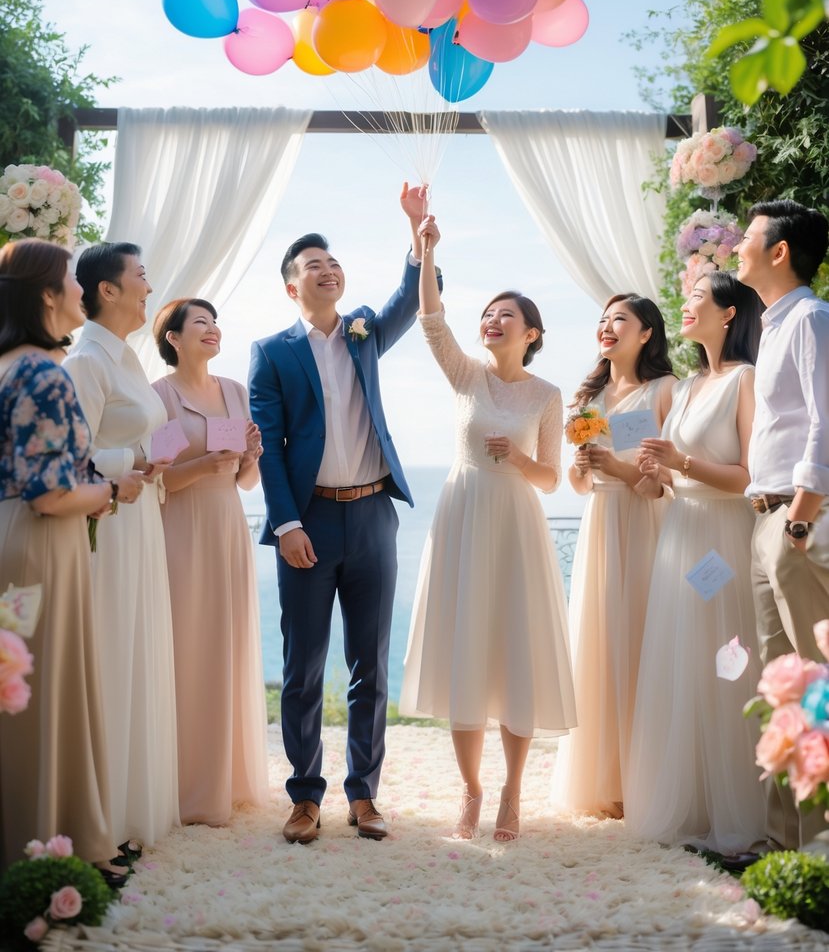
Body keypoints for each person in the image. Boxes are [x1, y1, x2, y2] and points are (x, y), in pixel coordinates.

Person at [249, 183, 433, 845]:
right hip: (309, 524)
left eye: (332, 262)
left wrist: (416, 233)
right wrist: (286, 525)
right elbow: (268, 447)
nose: (327, 270)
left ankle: (363, 794)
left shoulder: (363, 331)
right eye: (312, 265)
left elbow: (412, 296)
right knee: (302, 668)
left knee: (370, 668)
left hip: (374, 516)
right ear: (291, 287)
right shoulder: (272, 351)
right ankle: (304, 797)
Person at [399, 214, 576, 841]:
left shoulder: (548, 395)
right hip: (465, 514)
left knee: (516, 650)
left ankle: (512, 791)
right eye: (488, 314)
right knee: (467, 649)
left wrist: (521, 459)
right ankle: (471, 790)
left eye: (506, 315)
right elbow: (432, 321)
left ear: (532, 333)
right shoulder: (467, 375)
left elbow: (551, 478)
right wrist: (425, 248)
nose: (492, 321)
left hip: (516, 526)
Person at [0, 240, 144, 879]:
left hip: (10, 538)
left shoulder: (6, 365)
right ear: (47, 294)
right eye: (71, 278)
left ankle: (46, 838)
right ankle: (51, 847)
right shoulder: (42, 372)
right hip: (42, 544)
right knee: (44, 695)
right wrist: (113, 491)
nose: (82, 290)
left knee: (20, 695)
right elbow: (52, 495)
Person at [625, 272, 766, 854]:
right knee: (685, 661)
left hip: (723, 536)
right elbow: (669, 477)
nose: (686, 305)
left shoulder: (745, 379)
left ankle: (740, 810)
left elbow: (749, 476)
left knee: (727, 662)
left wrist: (680, 462)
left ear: (729, 313)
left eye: (698, 298)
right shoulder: (684, 388)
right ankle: (694, 805)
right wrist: (657, 472)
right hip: (680, 532)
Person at [64, 243, 179, 852]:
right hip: (105, 523)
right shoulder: (86, 361)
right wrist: (129, 461)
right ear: (107, 290)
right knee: (110, 651)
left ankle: (132, 807)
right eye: (140, 276)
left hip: (141, 517)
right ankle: (98, 817)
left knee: (138, 645)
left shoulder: (127, 356)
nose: (149, 287)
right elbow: (71, 456)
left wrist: (146, 459)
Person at [550, 293, 675, 818]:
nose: (606, 326)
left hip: (645, 525)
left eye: (619, 319)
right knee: (600, 645)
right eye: (603, 320)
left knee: (643, 642)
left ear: (646, 333)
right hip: (600, 526)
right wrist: (582, 465)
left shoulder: (666, 391)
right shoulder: (590, 397)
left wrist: (618, 468)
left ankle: (645, 780)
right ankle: (605, 779)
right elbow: (580, 484)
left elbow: (666, 482)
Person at [152, 297, 269, 826]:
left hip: (227, 525)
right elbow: (162, 479)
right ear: (173, 338)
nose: (213, 329)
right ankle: (183, 786)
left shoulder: (235, 392)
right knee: (186, 648)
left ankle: (227, 780)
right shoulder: (161, 397)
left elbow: (243, 481)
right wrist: (204, 463)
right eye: (200, 322)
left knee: (227, 645)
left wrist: (251, 457)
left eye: (215, 322)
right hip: (181, 527)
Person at [735, 199, 829, 852]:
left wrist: (799, 520)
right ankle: (780, 850)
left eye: (748, 235)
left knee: (816, 691)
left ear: (779, 251)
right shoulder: (774, 325)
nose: (736, 245)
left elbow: (826, 419)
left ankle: (819, 854)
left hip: (797, 522)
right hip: (766, 519)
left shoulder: (811, 319)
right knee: (780, 688)